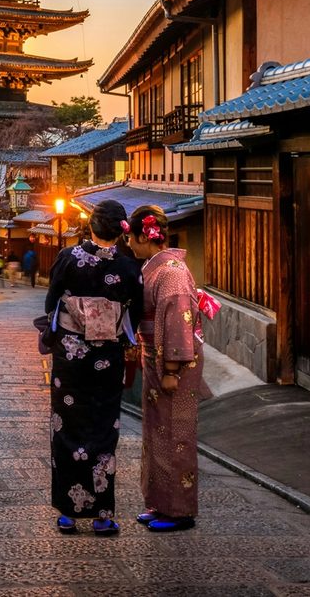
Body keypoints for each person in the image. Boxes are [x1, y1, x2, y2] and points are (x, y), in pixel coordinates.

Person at [43, 199, 142, 535]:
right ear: (121, 230)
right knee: (102, 429)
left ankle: (68, 513)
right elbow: (135, 312)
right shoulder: (129, 266)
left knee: (66, 426)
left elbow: (51, 300)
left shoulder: (68, 257)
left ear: (91, 225)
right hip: (107, 358)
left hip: (71, 357)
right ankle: (102, 515)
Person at [127, 205, 212, 532]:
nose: (130, 246)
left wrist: (172, 369)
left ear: (141, 236)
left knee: (176, 434)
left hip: (173, 363)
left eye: (131, 239)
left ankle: (178, 510)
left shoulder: (171, 273)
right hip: (156, 358)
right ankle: (159, 502)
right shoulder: (157, 268)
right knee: (157, 431)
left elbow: (178, 322)